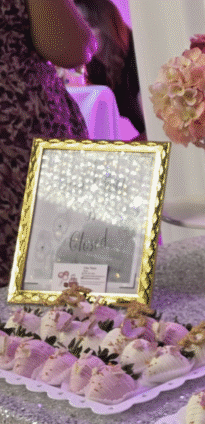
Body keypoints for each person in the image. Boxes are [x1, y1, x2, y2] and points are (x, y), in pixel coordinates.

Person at [0, 0, 94, 286]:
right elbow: (72, 49)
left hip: (25, 144)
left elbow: (72, 49)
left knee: (53, 282)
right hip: (23, 138)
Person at [75, 0, 146, 138]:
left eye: (85, 25)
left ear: (105, 26)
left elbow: (155, 128)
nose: (77, 35)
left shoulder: (138, 56)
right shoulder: (95, 65)